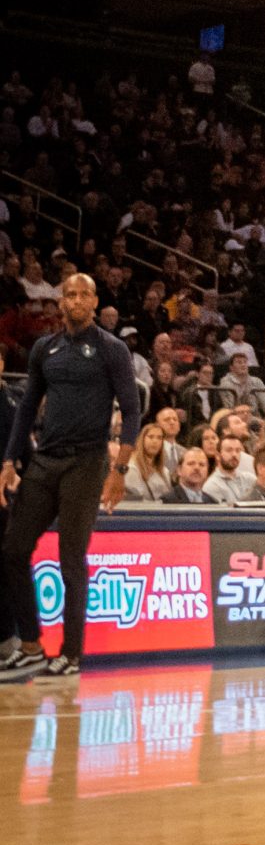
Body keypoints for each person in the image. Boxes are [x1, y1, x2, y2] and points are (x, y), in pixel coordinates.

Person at [0, 270, 138, 681]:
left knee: (70, 559)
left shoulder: (112, 349)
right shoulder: (45, 348)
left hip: (87, 462)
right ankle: (30, 645)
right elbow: (26, 409)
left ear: (94, 303)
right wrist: (9, 461)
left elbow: (131, 411)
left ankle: (72, 653)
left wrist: (120, 470)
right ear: (60, 302)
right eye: (70, 295)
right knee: (13, 549)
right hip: (45, 461)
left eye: (84, 295)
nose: (76, 301)